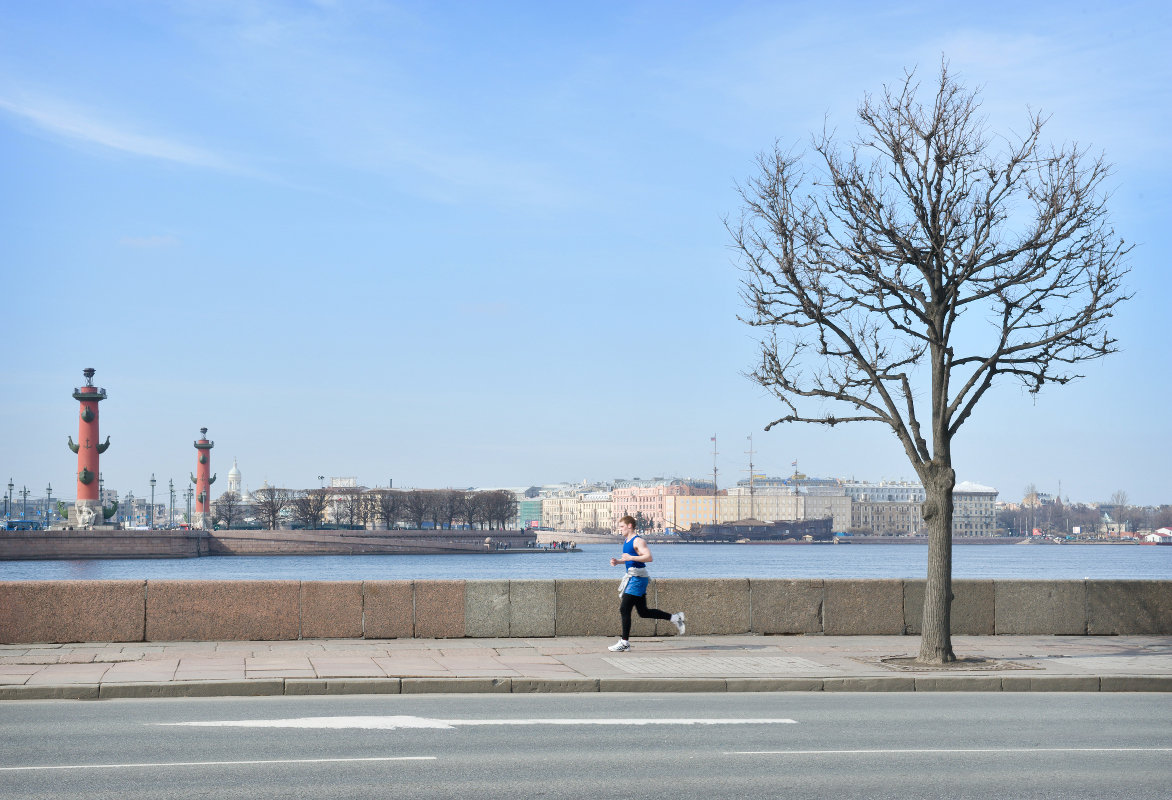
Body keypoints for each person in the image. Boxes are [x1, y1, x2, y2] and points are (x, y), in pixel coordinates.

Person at [607, 515, 685, 652]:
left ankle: (624, 643)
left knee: (624, 609)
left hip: (637, 579)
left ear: (630, 526)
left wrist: (630, 557)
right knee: (643, 612)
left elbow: (648, 557)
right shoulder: (627, 540)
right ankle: (675, 618)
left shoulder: (638, 541)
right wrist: (619, 562)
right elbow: (631, 559)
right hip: (633, 577)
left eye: (622, 526)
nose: (620, 529)